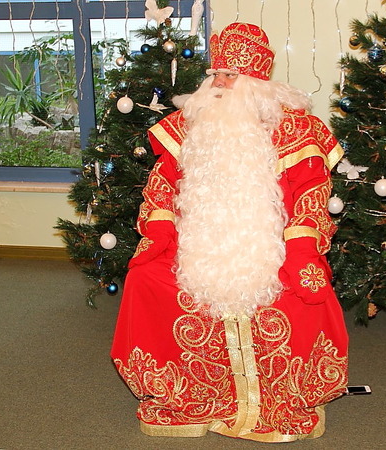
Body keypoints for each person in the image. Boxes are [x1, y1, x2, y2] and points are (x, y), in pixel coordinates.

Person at [111, 22, 348, 443]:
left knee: (304, 295)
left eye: (229, 76)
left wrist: (302, 252)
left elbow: (313, 194)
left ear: (255, 82)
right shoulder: (187, 126)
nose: (218, 83)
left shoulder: (296, 130)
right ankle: (187, 396)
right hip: (195, 250)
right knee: (145, 279)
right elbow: (161, 187)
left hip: (274, 250)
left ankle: (280, 398)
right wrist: (160, 234)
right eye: (215, 74)